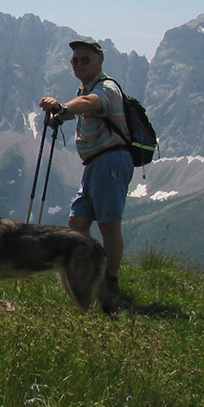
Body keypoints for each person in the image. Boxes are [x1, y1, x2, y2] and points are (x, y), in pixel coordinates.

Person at [39, 38, 134, 302]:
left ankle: (111, 280)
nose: (78, 64)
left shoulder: (106, 88)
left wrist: (63, 107)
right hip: (94, 163)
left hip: (112, 161)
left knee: (108, 225)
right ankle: (91, 271)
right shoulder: (85, 89)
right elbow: (78, 108)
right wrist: (58, 116)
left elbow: (90, 104)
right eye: (74, 60)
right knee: (77, 223)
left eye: (85, 60)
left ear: (99, 62)